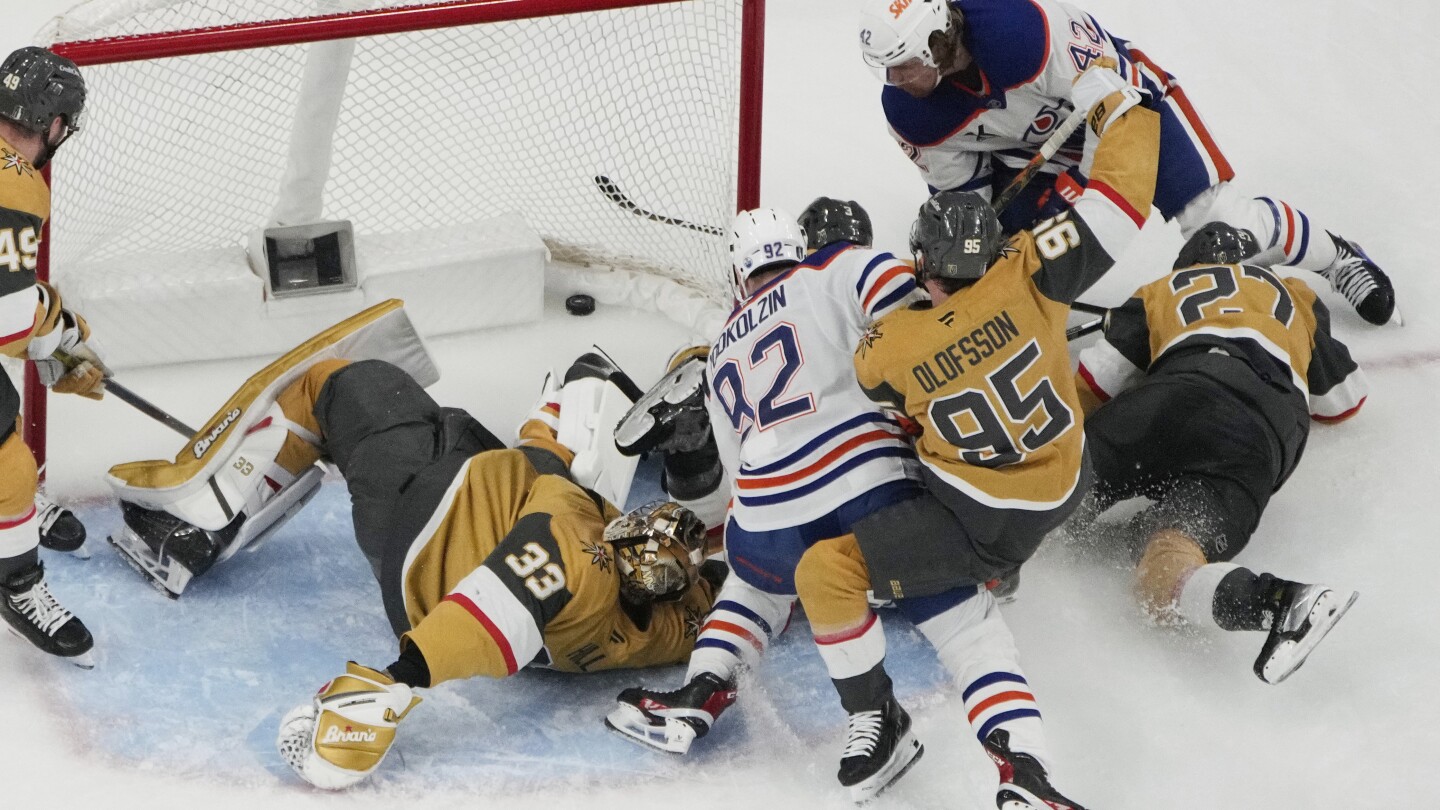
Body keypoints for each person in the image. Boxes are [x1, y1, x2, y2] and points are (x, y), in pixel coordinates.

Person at [103, 307, 716, 788]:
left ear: (626, 542)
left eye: (645, 525)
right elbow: (721, 597)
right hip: (463, 519)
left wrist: (396, 681)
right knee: (558, 419)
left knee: (337, 384)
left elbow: (496, 607)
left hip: (423, 508)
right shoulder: (663, 632)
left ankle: (196, 524)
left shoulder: (578, 552)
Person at [798, 61, 1157, 810]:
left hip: (981, 521)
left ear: (921, 266)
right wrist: (1120, 109)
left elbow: (880, 387)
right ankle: (1025, 766)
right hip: (1069, 477)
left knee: (828, 566)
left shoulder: (891, 346)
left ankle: (878, 715)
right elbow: (1121, 200)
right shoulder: (1029, 270)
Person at [605, 198, 932, 802]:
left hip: (776, 529)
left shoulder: (723, 344)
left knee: (754, 580)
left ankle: (703, 688)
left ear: (740, 271)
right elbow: (923, 320)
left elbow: (740, 475)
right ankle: (879, 712)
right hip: (882, 517)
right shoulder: (837, 280)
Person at [856, 0, 1398, 326]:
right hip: (1031, 153)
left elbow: (1111, 102)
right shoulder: (909, 112)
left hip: (1127, 110)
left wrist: (1083, 193)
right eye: (886, 71)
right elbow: (964, 199)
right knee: (1002, 262)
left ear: (938, 41)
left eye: (903, 65)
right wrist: (970, 256)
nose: (895, 82)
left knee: (1219, 224)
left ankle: (1335, 256)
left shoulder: (1024, 30)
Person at [1070, 222, 1365, 684]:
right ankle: (1280, 603)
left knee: (1057, 492)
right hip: (1257, 432)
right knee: (1167, 566)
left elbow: (1089, 388)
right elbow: (1344, 402)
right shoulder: (1296, 295)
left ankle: (980, 570)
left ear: (1187, 264)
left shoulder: (1162, 288)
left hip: (1170, 398)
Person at [0, 46, 100, 668]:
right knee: (8, 465)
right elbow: (8, 325)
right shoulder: (15, 182)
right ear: (55, 124)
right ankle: (16, 587)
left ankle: (12, 513)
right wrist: (58, 328)